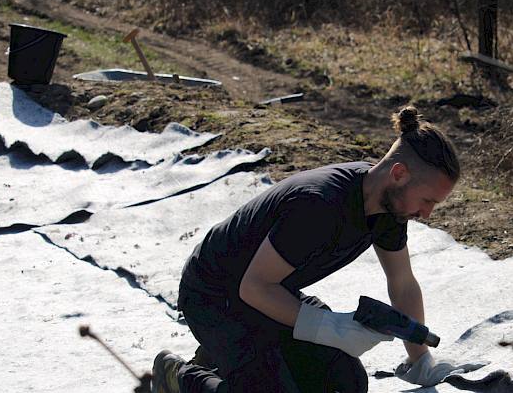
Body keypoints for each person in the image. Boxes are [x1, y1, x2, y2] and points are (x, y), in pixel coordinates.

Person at [152, 105, 476, 393]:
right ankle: (180, 376)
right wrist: (330, 328)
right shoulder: (318, 206)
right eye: (428, 201)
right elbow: (253, 287)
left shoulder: (390, 207)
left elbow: (402, 283)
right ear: (399, 174)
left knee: (346, 381)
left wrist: (420, 359)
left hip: (273, 290)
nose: (428, 213)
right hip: (214, 294)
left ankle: (225, 358)